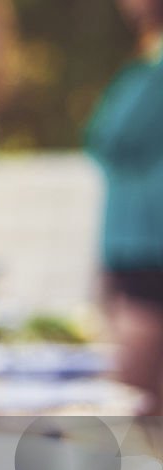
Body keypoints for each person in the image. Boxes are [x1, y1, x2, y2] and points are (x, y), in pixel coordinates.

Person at [86, 0, 163, 415]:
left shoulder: (155, 68)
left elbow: (111, 134)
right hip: (135, 244)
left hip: (148, 246)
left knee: (133, 403)